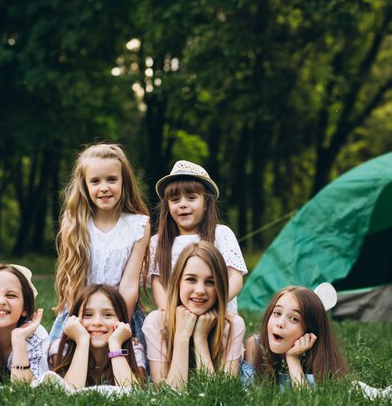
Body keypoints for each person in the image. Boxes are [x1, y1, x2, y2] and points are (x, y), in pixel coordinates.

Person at [50, 143, 150, 351]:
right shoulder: (73, 222)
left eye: (112, 179)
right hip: (80, 312)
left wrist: (119, 325)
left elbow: (130, 284)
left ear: (125, 182)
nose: (104, 187)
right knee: (61, 365)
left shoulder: (138, 225)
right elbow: (73, 279)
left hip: (122, 313)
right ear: (85, 185)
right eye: (95, 181)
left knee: (132, 369)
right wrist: (80, 323)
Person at [143, 241, 245, 389]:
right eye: (191, 279)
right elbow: (168, 394)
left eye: (210, 282)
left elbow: (220, 393)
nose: (200, 290)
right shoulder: (156, 322)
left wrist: (200, 338)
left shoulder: (233, 325)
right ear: (177, 282)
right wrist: (182, 336)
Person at [150, 160, 246, 313]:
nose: (182, 204)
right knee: (152, 320)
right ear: (167, 206)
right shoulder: (158, 242)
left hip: (215, 312)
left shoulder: (220, 235)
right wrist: (170, 311)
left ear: (206, 203)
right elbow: (158, 283)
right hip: (176, 316)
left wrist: (213, 303)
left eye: (191, 198)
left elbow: (235, 277)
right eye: (175, 199)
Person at [242, 285, 348, 389]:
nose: (280, 323)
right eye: (277, 313)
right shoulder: (256, 345)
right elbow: (246, 389)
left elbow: (307, 403)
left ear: (310, 330)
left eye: (293, 319)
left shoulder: (317, 359)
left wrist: (293, 359)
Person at [49, 284, 145, 388]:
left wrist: (115, 345)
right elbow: (69, 390)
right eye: (88, 315)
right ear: (75, 319)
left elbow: (132, 394)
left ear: (121, 320)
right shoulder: (62, 349)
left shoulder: (133, 350)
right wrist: (82, 341)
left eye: (108, 315)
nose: (97, 322)